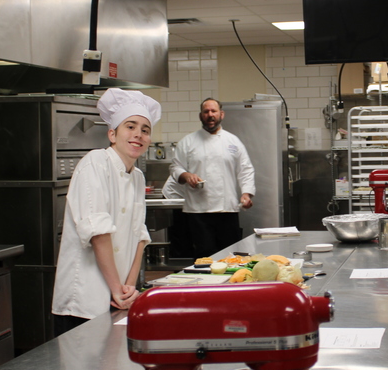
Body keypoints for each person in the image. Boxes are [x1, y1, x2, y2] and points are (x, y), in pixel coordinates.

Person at [51, 88, 161, 336]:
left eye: (145, 130)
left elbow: (139, 238)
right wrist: (117, 288)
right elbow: (98, 233)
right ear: (112, 134)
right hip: (83, 302)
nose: (138, 134)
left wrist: (129, 288)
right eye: (130, 126)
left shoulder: (137, 176)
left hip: (118, 297)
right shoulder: (95, 163)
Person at [170, 98, 256, 259]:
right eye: (206, 112)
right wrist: (186, 175)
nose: (210, 115)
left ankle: (230, 284)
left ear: (221, 114)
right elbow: (175, 167)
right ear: (200, 115)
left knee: (231, 256)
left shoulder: (233, 141)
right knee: (205, 256)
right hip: (198, 211)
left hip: (227, 209)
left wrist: (247, 194)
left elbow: (245, 169)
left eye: (213, 111)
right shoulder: (188, 142)